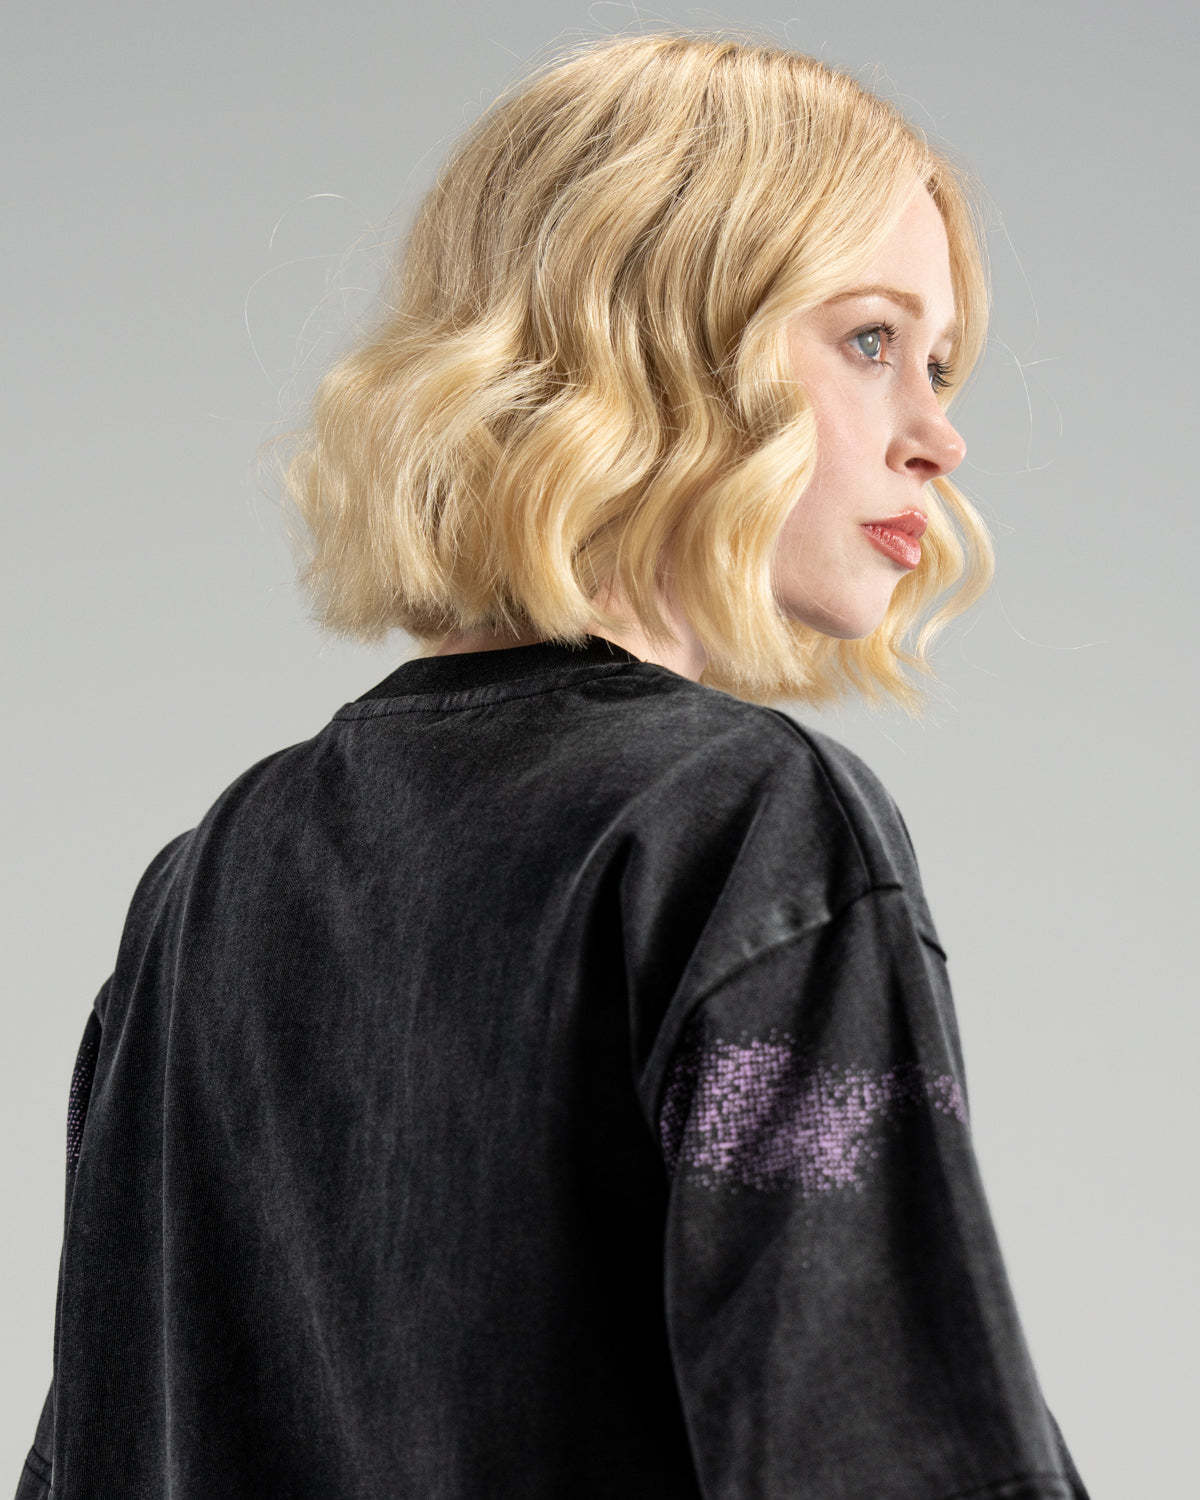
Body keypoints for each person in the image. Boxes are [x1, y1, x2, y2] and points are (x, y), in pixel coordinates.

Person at [15, 28, 1091, 1500]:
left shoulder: (205, 881)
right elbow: (876, 1448)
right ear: (657, 329)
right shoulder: (740, 829)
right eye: (869, 341)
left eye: (942, 364)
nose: (939, 437)